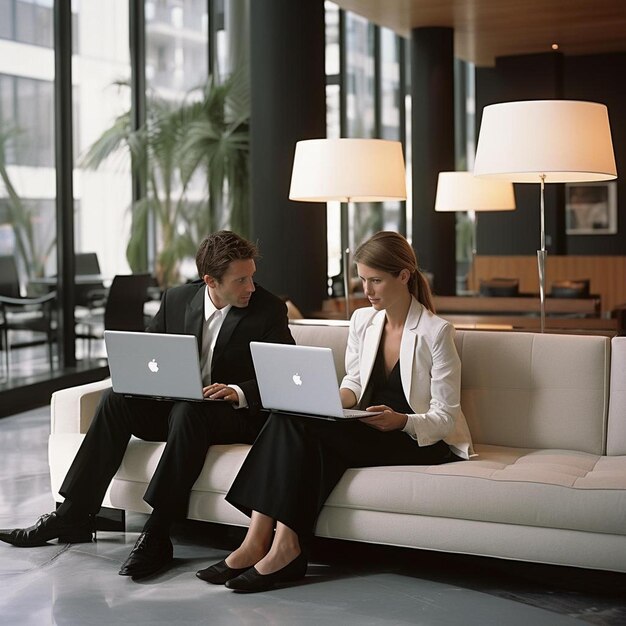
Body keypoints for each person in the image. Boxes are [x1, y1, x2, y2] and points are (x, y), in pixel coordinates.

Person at [0, 230, 294, 580]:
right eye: (241, 279)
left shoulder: (268, 309)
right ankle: (73, 514)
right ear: (210, 281)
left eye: (252, 276)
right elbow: (148, 355)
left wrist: (237, 390)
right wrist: (150, 383)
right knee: (115, 399)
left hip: (231, 415)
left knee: (189, 412)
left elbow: (283, 375)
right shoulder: (176, 299)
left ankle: (157, 532)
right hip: (178, 408)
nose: (251, 287)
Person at [196, 230, 474, 592]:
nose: (367, 290)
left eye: (376, 280)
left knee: (306, 436)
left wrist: (401, 420)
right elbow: (354, 385)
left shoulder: (436, 332)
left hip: (416, 437)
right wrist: (325, 399)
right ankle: (262, 542)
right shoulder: (363, 321)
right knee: (289, 416)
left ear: (403, 276)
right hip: (367, 425)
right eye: (362, 279)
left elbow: (445, 417)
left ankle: (282, 547)